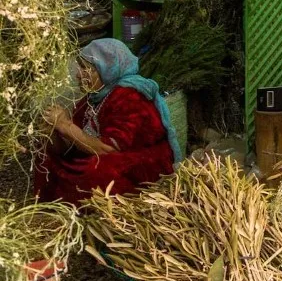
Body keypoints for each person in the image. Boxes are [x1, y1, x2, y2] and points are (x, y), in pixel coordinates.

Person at [36, 38, 181, 203]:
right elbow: (71, 147)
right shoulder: (92, 98)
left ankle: (87, 205)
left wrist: (65, 125)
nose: (78, 75)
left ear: (105, 69)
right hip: (105, 155)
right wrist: (53, 132)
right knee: (44, 153)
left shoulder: (129, 97)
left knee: (98, 170)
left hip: (142, 164)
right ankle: (53, 205)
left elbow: (108, 149)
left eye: (85, 68)